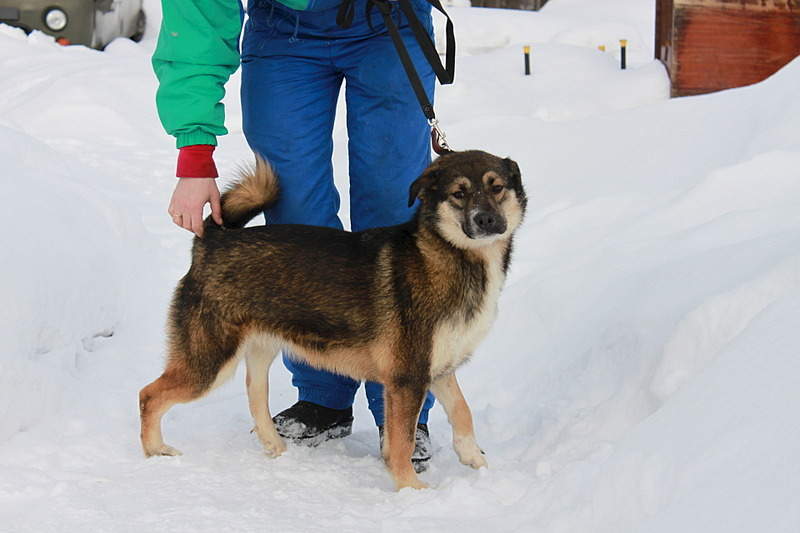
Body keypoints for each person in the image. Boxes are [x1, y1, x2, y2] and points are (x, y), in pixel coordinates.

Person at [154, 0, 438, 469]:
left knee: (396, 214)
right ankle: (323, 396)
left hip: (388, 23)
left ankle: (404, 411)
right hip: (285, 31)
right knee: (295, 223)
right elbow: (198, 15)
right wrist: (195, 151)